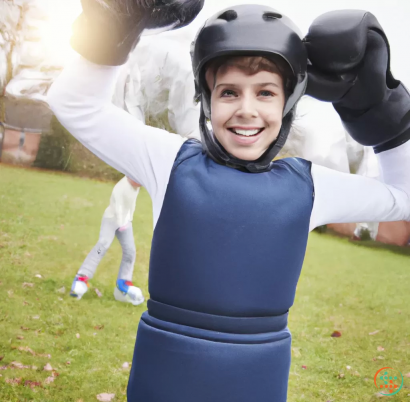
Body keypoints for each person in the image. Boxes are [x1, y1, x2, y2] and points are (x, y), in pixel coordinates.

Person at [48, 2, 410, 401]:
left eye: (266, 92)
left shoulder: (309, 187)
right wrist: (112, 32)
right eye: (229, 92)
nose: (246, 110)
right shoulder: (169, 161)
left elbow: (403, 199)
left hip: (255, 385)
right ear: (208, 100)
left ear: (287, 103)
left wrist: (384, 118)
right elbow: (74, 103)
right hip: (164, 382)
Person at [70, 176, 145, 305]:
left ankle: (124, 283)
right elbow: (117, 206)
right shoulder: (122, 186)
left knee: (130, 251)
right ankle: (81, 278)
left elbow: (131, 206)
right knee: (102, 245)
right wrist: (122, 222)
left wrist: (127, 220)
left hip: (125, 222)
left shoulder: (135, 187)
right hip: (112, 219)